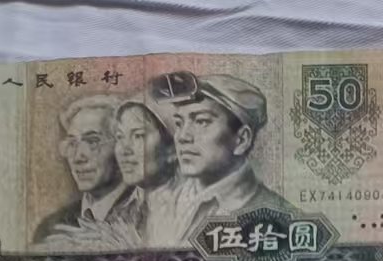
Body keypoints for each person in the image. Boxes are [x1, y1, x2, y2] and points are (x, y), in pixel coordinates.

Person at [142, 70, 291, 249]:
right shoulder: (160, 204)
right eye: (179, 123)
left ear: (241, 139)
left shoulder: (280, 218)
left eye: (201, 122)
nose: (182, 137)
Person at [33, 97, 135, 241]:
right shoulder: (51, 229)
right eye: (72, 143)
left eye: (93, 141)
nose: (78, 157)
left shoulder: (144, 216)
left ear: (120, 146)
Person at [111, 99, 177, 229]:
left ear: (172, 149)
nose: (124, 150)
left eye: (138, 136)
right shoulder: (115, 216)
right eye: (119, 137)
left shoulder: (194, 208)